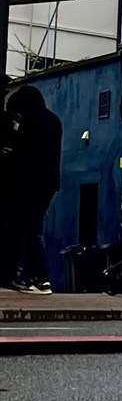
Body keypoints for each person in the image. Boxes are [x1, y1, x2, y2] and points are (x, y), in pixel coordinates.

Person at [2, 87, 62, 294]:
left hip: (28, 183)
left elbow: (20, 154)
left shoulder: (30, 123)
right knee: (30, 227)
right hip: (48, 184)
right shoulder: (53, 121)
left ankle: (38, 277)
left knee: (27, 228)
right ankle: (32, 277)